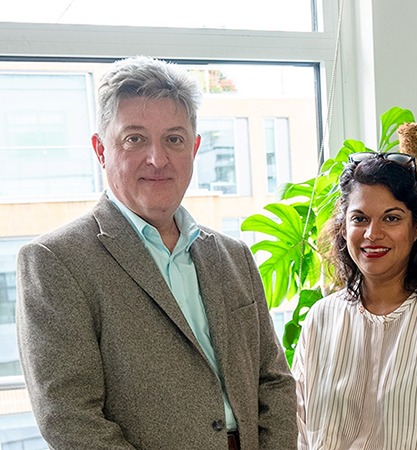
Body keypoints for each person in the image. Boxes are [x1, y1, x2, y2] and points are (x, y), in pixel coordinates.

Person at [16, 56, 297, 450]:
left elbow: (274, 382)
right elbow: (69, 417)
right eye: (135, 138)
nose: (157, 159)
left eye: (174, 139)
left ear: (194, 148)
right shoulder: (55, 261)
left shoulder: (233, 256)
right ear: (100, 149)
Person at [292, 152, 417, 449]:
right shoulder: (321, 318)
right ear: (343, 228)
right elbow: (298, 431)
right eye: (359, 218)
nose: (373, 234)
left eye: (391, 218)